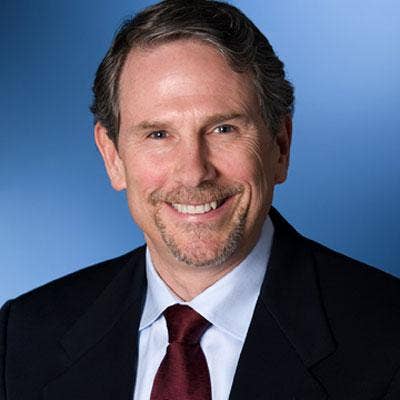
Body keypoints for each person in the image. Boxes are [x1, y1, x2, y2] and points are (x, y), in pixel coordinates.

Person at [1, 0, 400, 399]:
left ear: (280, 146)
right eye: (158, 134)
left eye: (223, 129)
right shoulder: (23, 336)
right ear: (113, 157)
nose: (194, 172)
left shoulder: (387, 336)